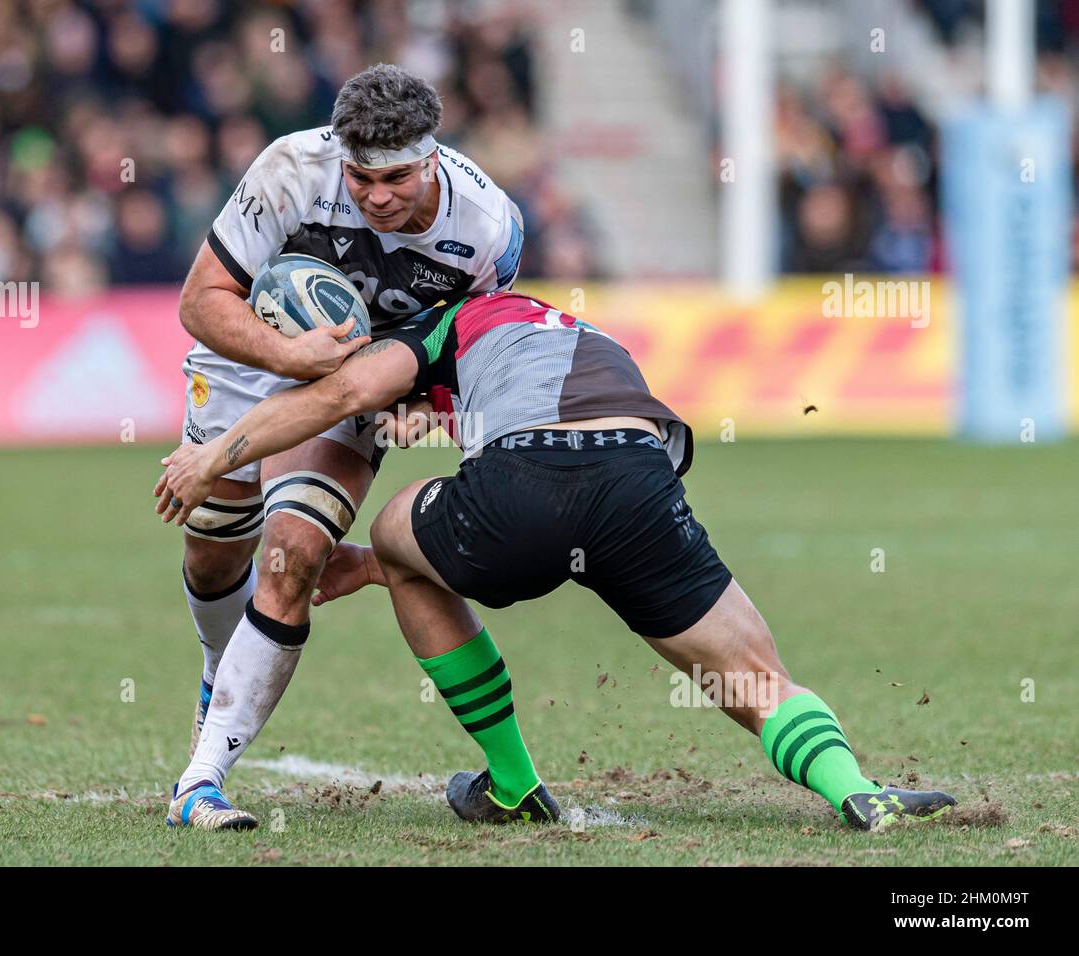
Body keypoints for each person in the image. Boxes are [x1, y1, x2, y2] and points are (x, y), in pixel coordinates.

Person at [156, 290, 958, 832]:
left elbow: (341, 398)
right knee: (751, 673)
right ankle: (858, 793)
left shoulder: (446, 322)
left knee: (400, 542)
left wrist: (216, 456)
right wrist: (438, 417)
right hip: (638, 483)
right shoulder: (566, 330)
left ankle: (512, 782)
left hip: (527, 485)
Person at [165, 64, 525, 829]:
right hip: (247, 356)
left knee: (291, 552)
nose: (378, 196)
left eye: (397, 177)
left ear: (433, 157)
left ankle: (200, 781)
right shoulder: (293, 168)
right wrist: (287, 356)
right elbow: (200, 301)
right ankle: (215, 674)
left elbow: (471, 351)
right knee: (212, 553)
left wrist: (426, 408)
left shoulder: (489, 229)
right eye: (362, 179)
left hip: (360, 378)